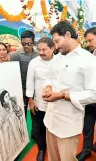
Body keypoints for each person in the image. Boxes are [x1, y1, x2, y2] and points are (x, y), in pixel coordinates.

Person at [42, 20, 96, 161]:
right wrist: (48, 87)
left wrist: (62, 96)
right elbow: (49, 76)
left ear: (67, 35)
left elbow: (93, 94)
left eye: (57, 41)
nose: (55, 46)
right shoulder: (56, 58)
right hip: (50, 119)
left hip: (68, 123)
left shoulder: (88, 60)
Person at [26, 37, 55, 161]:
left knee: (53, 126)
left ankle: (53, 147)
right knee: (39, 127)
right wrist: (31, 101)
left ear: (53, 48)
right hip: (38, 102)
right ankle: (42, 148)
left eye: (44, 50)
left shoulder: (60, 61)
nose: (41, 52)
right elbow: (29, 82)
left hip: (56, 102)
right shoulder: (34, 62)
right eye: (39, 50)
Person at [76, 27, 96, 161]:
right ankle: (86, 150)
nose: (89, 44)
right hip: (90, 98)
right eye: (87, 41)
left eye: (90, 40)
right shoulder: (90, 55)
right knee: (87, 126)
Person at [10, 30, 38, 118]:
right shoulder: (16, 55)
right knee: (22, 117)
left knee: (36, 116)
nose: (26, 46)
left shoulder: (38, 55)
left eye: (29, 44)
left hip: (36, 91)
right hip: (21, 91)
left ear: (33, 43)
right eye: (24, 43)